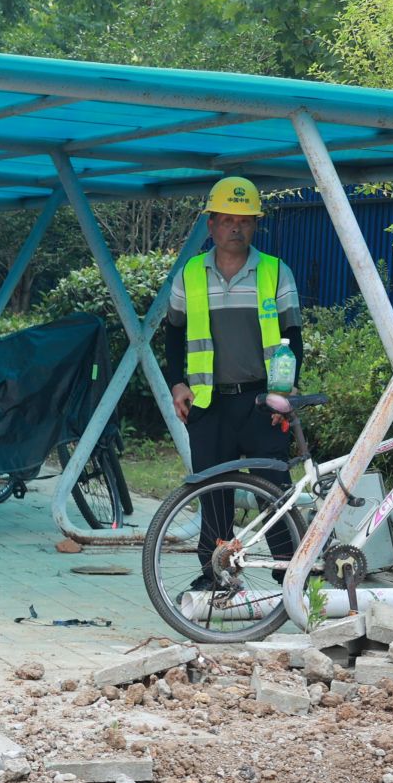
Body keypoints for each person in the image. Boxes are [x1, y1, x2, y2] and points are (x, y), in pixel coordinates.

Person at [163, 176, 304, 589]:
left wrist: (285, 389)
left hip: (262, 400)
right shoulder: (190, 274)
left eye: (244, 221)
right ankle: (216, 576)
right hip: (208, 403)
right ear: (211, 225)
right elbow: (173, 333)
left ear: (255, 225)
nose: (235, 228)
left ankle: (290, 576)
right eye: (226, 220)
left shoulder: (275, 272)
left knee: (274, 491)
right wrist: (177, 384)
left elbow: (293, 336)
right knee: (212, 492)